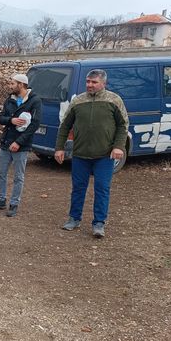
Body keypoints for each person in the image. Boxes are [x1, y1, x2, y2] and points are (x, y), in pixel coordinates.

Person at [55, 69, 129, 238]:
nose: (89, 85)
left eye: (94, 82)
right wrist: (59, 147)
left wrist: (119, 146)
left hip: (104, 155)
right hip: (81, 154)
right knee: (78, 188)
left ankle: (99, 223)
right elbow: (65, 125)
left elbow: (123, 125)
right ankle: (74, 218)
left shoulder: (114, 100)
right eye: (88, 81)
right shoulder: (78, 101)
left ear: (103, 83)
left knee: (102, 189)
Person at [0, 74, 42, 217]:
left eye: (12, 83)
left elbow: (34, 125)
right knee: (1, 173)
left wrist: (19, 142)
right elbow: (1, 118)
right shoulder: (10, 100)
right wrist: (11, 120)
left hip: (21, 146)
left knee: (18, 176)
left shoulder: (34, 101)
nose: (10, 86)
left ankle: (14, 203)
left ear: (21, 85)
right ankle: (0, 200)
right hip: (6, 143)